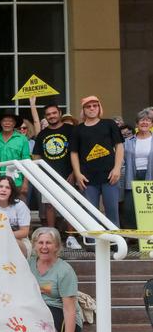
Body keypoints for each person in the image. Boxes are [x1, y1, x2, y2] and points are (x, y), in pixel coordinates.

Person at [18, 227, 83, 332]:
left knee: (45, 317)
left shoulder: (65, 271)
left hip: (60, 313)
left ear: (57, 246)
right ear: (34, 245)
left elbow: (69, 309)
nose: (44, 247)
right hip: (36, 310)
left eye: (49, 243)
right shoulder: (29, 265)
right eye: (40, 243)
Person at [32, 103, 81, 249]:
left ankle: (71, 237)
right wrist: (41, 173)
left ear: (60, 113)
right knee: (49, 206)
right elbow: (36, 155)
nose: (51, 116)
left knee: (70, 205)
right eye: (48, 114)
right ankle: (53, 237)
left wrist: (74, 172)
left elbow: (78, 152)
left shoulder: (71, 130)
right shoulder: (42, 134)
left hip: (68, 175)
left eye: (54, 113)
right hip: (49, 176)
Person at [70, 96, 124, 227]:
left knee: (112, 211)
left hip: (110, 175)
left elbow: (119, 146)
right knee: (90, 213)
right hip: (87, 178)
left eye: (95, 105)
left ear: (99, 107)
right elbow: (74, 153)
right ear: (83, 110)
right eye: (88, 106)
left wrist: (117, 168)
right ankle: (92, 244)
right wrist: (77, 174)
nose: (92, 108)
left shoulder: (109, 124)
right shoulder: (78, 129)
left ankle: (115, 243)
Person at [0, 176, 31, 257]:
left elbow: (24, 232)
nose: (3, 189)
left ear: (12, 191)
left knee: (11, 245)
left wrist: (2, 236)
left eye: (7, 187)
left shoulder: (20, 205)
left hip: (18, 241)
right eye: (0, 186)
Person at [122, 109, 153, 229]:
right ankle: (133, 234)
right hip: (131, 175)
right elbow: (122, 160)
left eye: (148, 120)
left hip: (150, 174)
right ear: (136, 124)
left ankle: (149, 233)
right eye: (142, 120)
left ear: (151, 124)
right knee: (130, 206)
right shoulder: (128, 141)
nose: (145, 122)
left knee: (148, 205)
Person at [0, 112, 31, 197]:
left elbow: (27, 162)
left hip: (18, 182)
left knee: (20, 208)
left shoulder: (22, 139)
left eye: (10, 121)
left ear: (14, 124)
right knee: (1, 209)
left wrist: (25, 183)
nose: (7, 123)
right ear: (1, 123)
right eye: (4, 121)